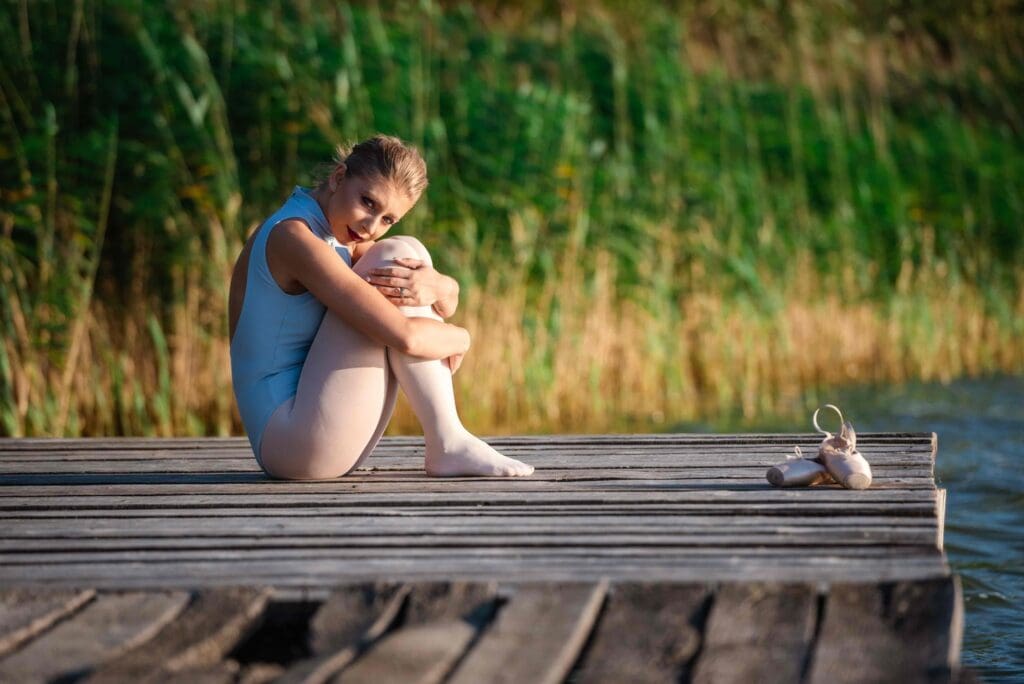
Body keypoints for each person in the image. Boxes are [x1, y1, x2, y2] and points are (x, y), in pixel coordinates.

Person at [229, 135, 534, 480]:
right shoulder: (294, 238)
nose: (370, 226)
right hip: (293, 442)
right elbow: (407, 338)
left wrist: (446, 285)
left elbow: (440, 303)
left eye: (388, 218)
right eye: (368, 202)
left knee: (404, 249)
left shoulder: (336, 236)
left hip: (322, 434)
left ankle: (447, 440)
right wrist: (462, 338)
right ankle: (447, 440)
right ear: (338, 177)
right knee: (393, 255)